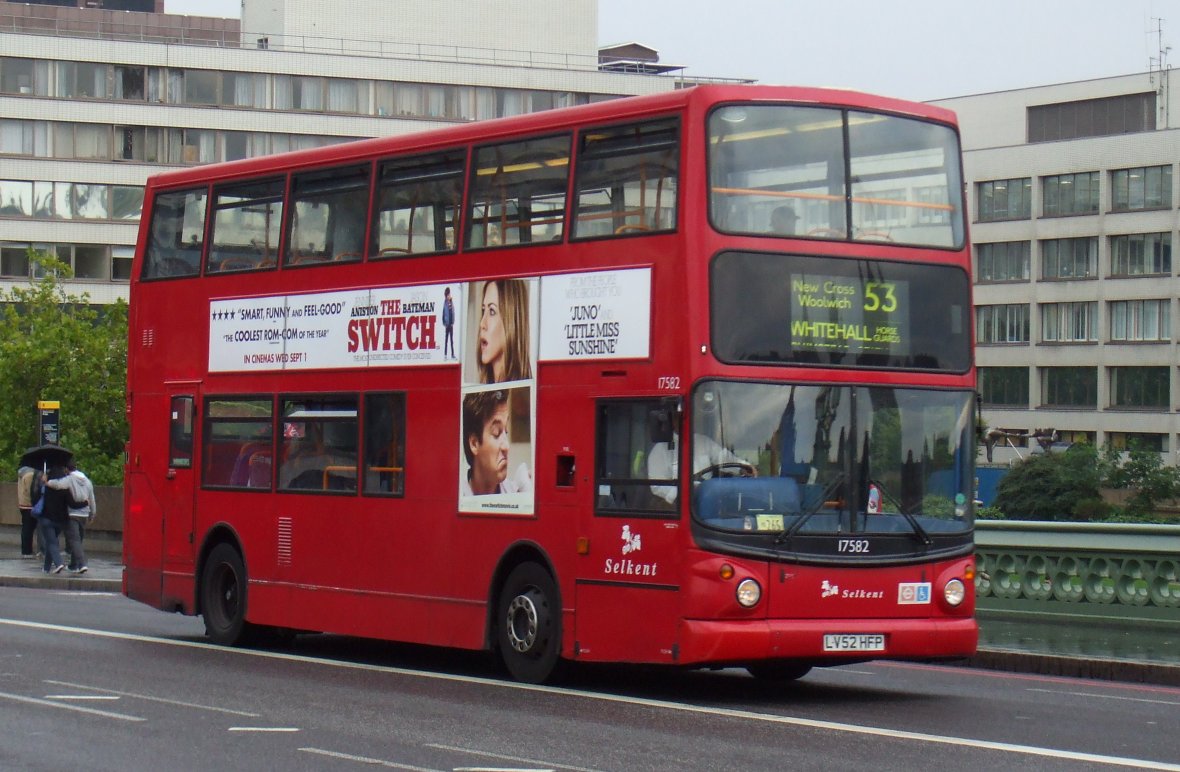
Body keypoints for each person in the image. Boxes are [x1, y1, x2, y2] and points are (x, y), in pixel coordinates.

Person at [648, 433, 754, 506]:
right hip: (679, 508)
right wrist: (683, 493)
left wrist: (744, 467)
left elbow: (724, 458)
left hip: (710, 500)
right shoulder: (660, 449)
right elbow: (657, 485)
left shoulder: (703, 441)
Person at [461, 389, 532, 496]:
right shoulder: (455, 496)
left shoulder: (519, 493)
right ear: (474, 444)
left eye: (506, 431)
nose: (506, 446)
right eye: (496, 432)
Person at [475, 278, 531, 383]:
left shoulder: (527, 391)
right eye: (483, 310)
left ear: (511, 320)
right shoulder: (479, 391)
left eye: (492, 311)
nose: (482, 324)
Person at [46, 463, 95, 574]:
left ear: (67, 470)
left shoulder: (69, 479)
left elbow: (57, 484)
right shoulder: (87, 481)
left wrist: (47, 482)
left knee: (74, 540)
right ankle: (73, 565)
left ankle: (82, 564)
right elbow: (92, 498)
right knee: (78, 540)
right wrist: (92, 513)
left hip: (72, 513)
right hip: (84, 514)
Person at [36, 465, 71, 574]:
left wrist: (43, 482)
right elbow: (69, 503)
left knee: (51, 542)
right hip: (60, 520)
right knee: (51, 541)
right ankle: (46, 567)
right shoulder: (65, 489)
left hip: (46, 518)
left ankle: (58, 563)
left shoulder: (45, 487)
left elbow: (35, 496)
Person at [16, 465, 39, 558]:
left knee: (26, 528)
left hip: (23, 503)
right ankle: (27, 551)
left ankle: (26, 550)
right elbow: (31, 491)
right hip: (29, 505)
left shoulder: (22, 473)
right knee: (29, 529)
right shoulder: (30, 475)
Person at [441, 286, 455, 360]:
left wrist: (453, 321)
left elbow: (453, 312)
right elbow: (443, 313)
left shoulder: (451, 302)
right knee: (446, 340)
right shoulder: (445, 303)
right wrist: (444, 322)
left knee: (451, 340)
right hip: (447, 324)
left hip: (451, 324)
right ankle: (445, 355)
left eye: (449, 294)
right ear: (446, 296)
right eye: (448, 295)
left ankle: (452, 354)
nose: (449, 296)